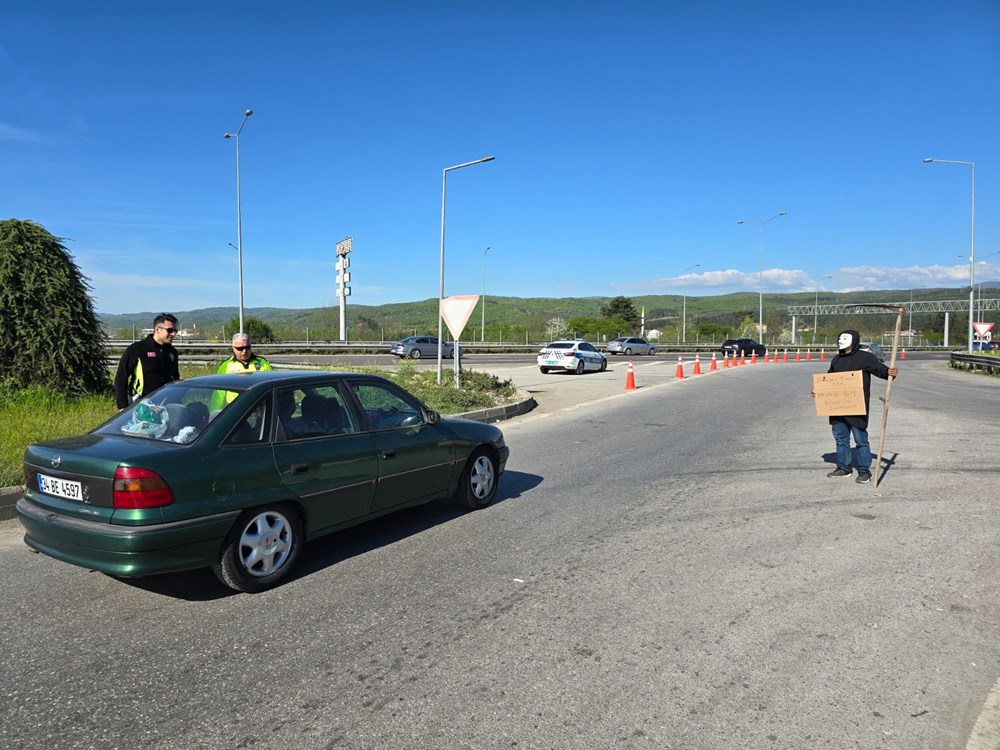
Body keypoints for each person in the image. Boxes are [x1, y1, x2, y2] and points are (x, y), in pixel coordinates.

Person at [821, 329, 898, 484]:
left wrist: (889, 372)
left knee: (860, 439)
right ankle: (844, 467)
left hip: (856, 406)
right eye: (840, 338)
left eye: (845, 338)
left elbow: (879, 370)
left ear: (854, 340)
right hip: (837, 407)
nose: (841, 341)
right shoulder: (836, 360)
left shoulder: (865, 357)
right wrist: (818, 389)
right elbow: (829, 378)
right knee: (840, 438)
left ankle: (864, 470)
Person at [114, 313, 180, 409]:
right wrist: (122, 406)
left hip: (166, 403)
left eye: (175, 331)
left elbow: (175, 377)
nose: (173, 334)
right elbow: (121, 377)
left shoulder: (172, 352)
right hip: (141, 404)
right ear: (157, 329)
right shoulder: (137, 349)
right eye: (169, 330)